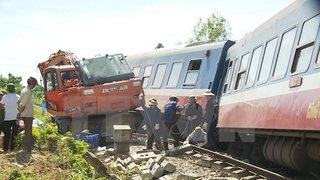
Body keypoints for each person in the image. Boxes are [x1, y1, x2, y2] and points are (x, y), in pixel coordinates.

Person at [17, 77, 38, 153]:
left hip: (24, 113)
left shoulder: (23, 90)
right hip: (27, 114)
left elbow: (18, 101)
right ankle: (26, 148)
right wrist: (19, 113)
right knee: (28, 132)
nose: (34, 86)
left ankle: (31, 145)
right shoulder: (28, 91)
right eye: (34, 84)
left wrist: (19, 112)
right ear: (31, 84)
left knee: (29, 131)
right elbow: (23, 104)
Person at [0, 84, 20, 153]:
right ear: (14, 89)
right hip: (15, 117)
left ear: (8, 89)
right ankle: (12, 149)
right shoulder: (17, 96)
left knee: (7, 134)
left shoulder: (5, 97)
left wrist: (6, 108)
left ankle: (5, 149)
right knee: (14, 134)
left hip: (7, 118)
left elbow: (2, 105)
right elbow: (20, 106)